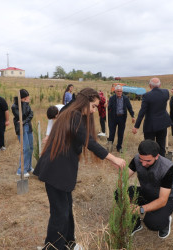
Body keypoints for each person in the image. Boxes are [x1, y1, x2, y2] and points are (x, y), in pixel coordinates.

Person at [33, 88, 126, 250]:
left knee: (66, 209)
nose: (94, 110)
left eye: (96, 107)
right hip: (56, 171)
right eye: (94, 106)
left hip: (60, 170)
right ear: (85, 101)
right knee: (59, 213)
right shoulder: (74, 115)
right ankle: (53, 247)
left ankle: (69, 243)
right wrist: (113, 159)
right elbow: (89, 142)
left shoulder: (73, 112)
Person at [123, 140, 173, 239]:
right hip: (146, 193)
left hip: (166, 199)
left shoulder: (167, 168)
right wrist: (125, 195)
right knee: (119, 194)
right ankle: (135, 224)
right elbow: (123, 177)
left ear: (156, 156)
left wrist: (141, 209)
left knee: (152, 223)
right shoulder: (137, 159)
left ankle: (165, 220)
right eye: (141, 159)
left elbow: (162, 200)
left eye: (148, 161)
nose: (143, 164)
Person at [132, 78, 172, 157]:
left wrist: (136, 126)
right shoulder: (166, 92)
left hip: (150, 125)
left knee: (149, 146)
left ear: (150, 86)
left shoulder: (147, 96)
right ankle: (161, 163)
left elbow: (142, 112)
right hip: (162, 123)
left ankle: (150, 163)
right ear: (160, 85)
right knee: (161, 145)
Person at [11, 89, 34, 177]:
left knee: (31, 147)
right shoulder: (14, 106)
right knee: (25, 148)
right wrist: (24, 104)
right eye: (26, 98)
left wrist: (24, 121)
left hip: (28, 127)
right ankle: (21, 170)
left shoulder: (27, 104)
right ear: (22, 98)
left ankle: (28, 167)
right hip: (21, 128)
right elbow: (22, 115)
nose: (28, 99)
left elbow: (31, 114)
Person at [107, 85, 135, 153]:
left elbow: (129, 107)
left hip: (122, 118)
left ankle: (119, 147)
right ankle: (109, 147)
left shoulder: (125, 98)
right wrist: (106, 105)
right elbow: (108, 108)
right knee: (111, 133)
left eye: (121, 91)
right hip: (113, 118)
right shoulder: (112, 98)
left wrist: (133, 116)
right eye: (118, 91)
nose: (119, 92)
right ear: (115, 91)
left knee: (121, 133)